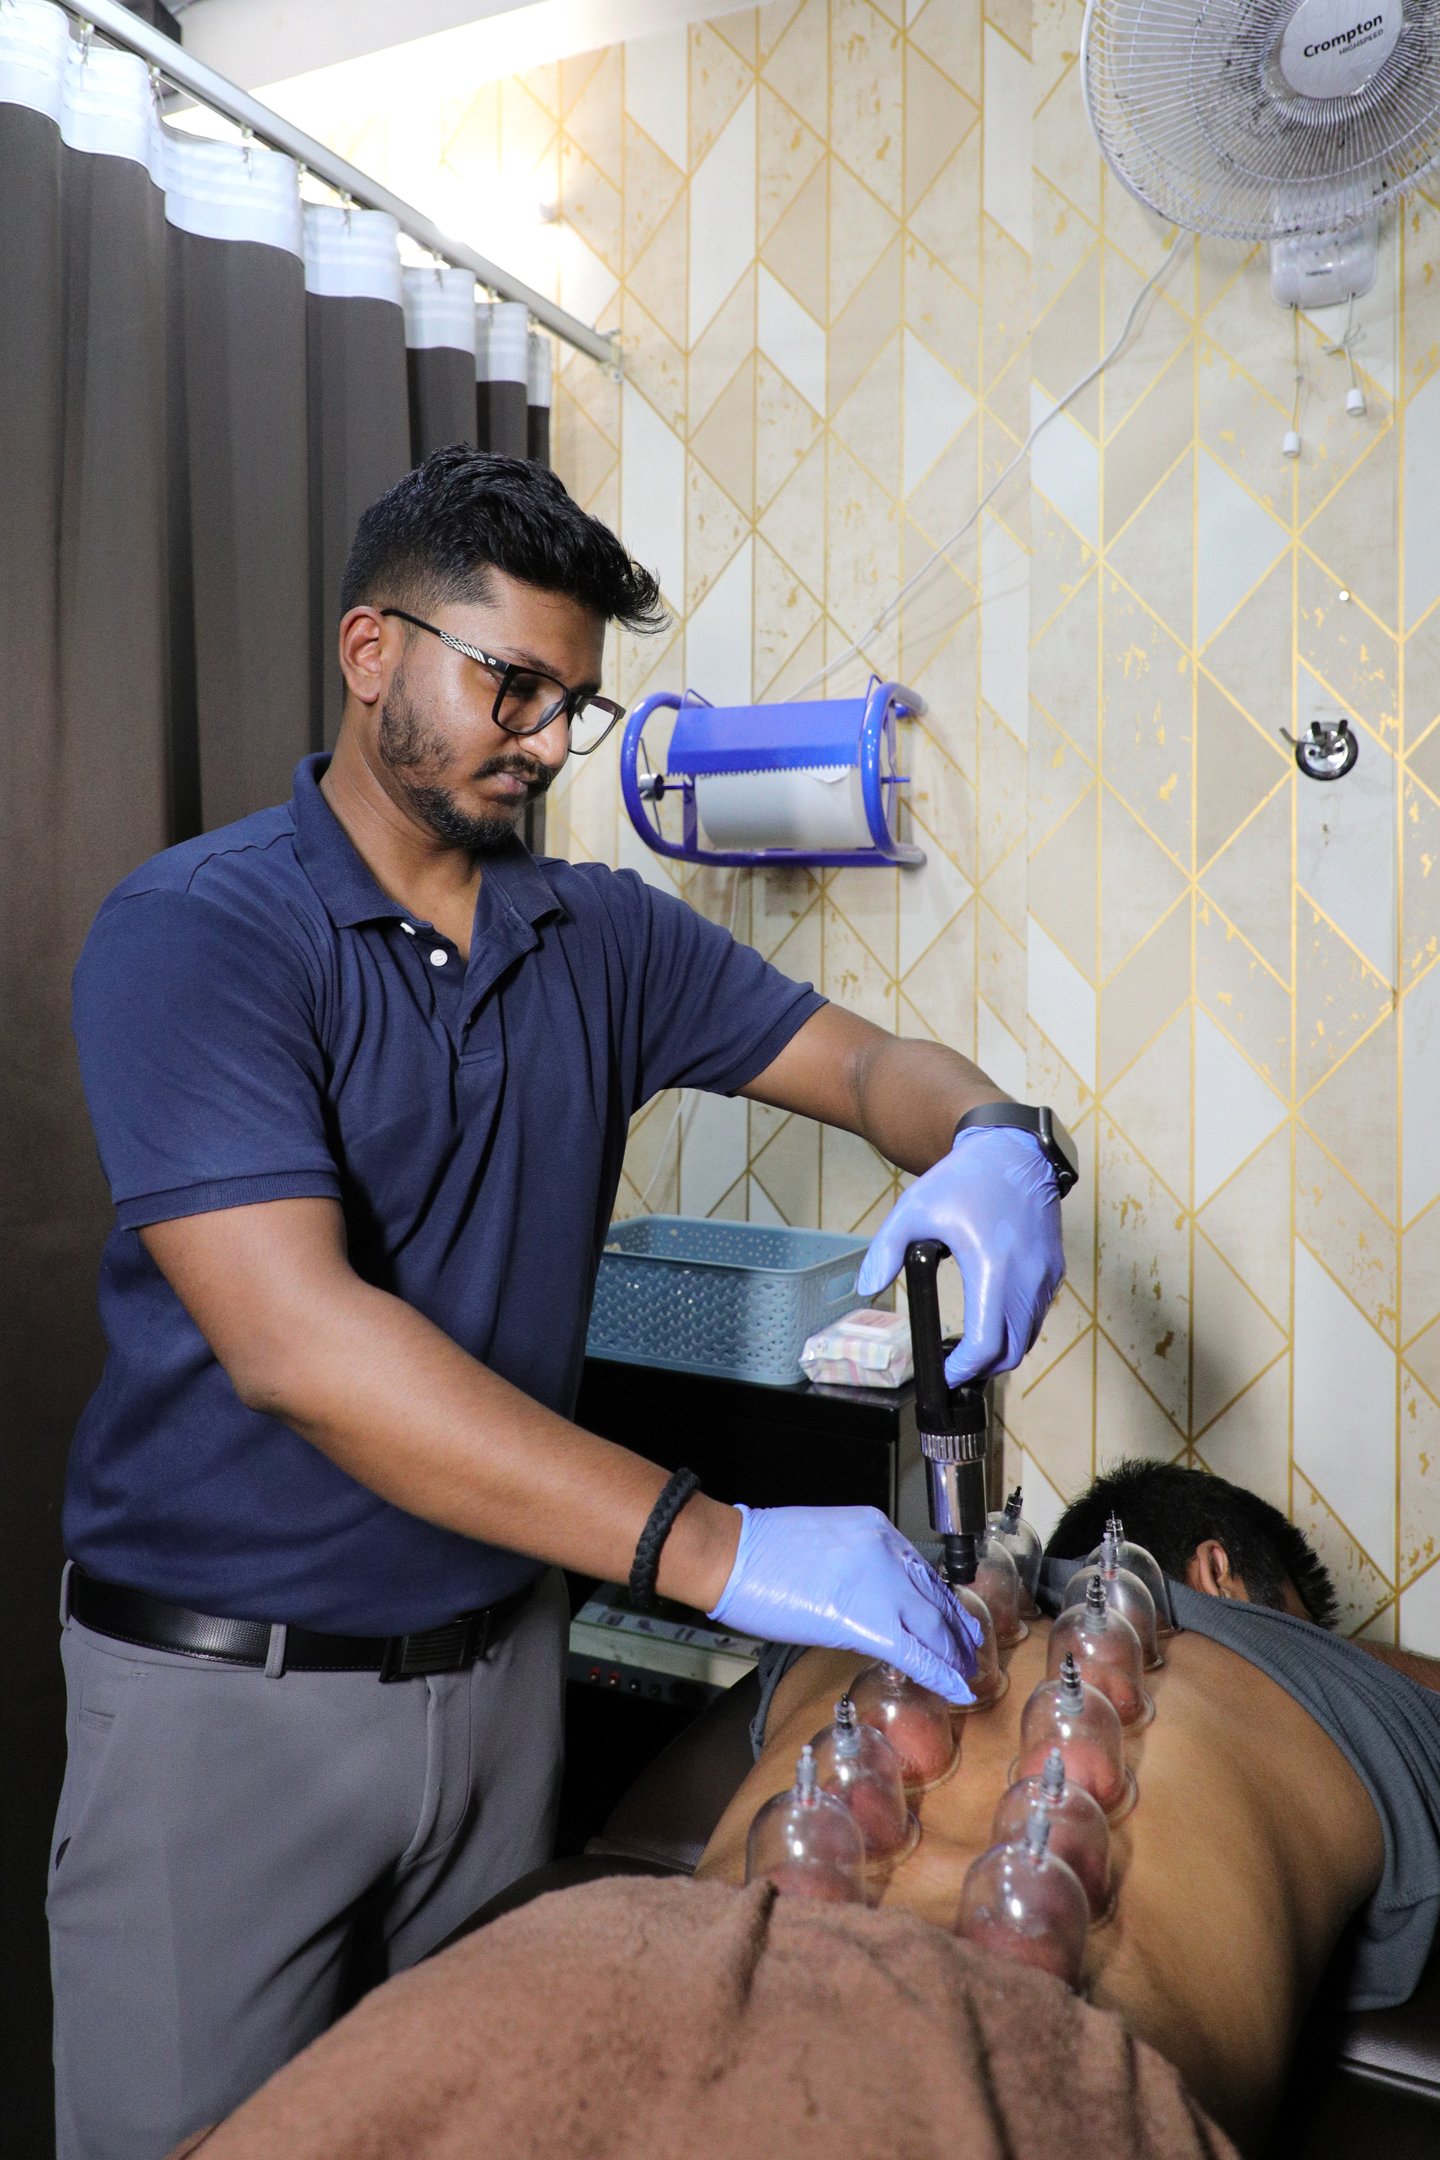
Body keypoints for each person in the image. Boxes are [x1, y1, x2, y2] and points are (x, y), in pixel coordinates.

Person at [51, 447, 1072, 2158]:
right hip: (229, 1702)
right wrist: (722, 1547)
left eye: (574, 705)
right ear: (371, 651)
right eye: (510, 684)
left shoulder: (595, 936)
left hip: (505, 1675)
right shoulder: (200, 935)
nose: (543, 739)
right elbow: (303, 1349)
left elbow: (866, 1064)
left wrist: (995, 1143)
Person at [154, 1463, 1440, 2160]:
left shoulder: (862, 1604)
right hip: (1034, 2070)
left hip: (596, 1976)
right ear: (1222, 1570)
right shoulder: (1339, 1683)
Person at [693, 1461, 1440, 2151]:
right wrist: (1319, 1647)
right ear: (1219, 1574)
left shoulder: (854, 1589)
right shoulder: (1333, 1683)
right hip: (1059, 2095)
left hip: (695, 1998)